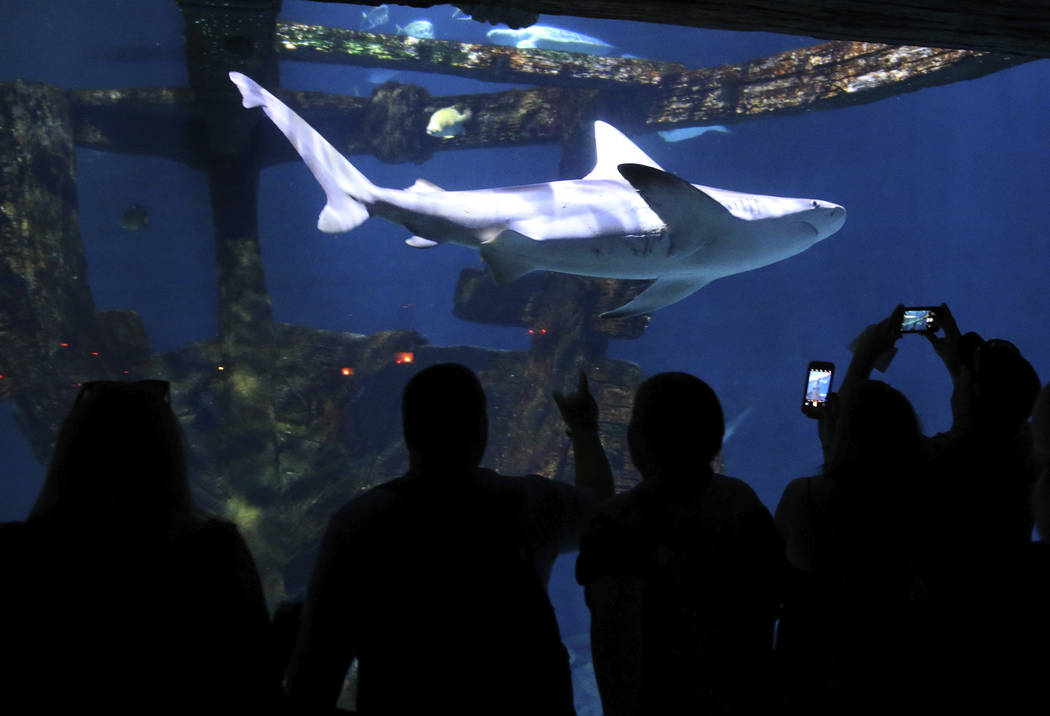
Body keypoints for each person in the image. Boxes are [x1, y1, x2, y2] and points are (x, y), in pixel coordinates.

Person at [285, 363, 614, 714]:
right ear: (483, 431)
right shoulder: (528, 503)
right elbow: (600, 510)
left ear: (408, 433)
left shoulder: (358, 523)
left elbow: (315, 676)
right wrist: (583, 427)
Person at [0, 380, 277, 714]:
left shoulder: (14, 551)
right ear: (170, 450)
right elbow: (255, 673)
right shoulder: (214, 547)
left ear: (69, 448)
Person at [576, 372, 783, 716]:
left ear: (636, 439)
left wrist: (584, 431)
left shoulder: (618, 521)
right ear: (715, 441)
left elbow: (615, 641)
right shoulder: (741, 501)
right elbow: (769, 602)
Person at [774, 370, 933, 713]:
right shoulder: (927, 504)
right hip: (893, 674)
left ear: (842, 433)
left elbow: (767, 585)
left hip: (810, 674)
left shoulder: (806, 497)